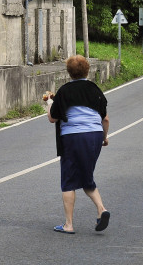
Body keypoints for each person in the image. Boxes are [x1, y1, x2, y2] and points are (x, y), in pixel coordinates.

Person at [46, 55, 110, 234]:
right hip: (95, 136)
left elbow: (53, 118)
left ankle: (69, 224)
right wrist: (104, 138)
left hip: (73, 137)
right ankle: (101, 209)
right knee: (85, 175)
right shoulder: (95, 90)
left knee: (68, 180)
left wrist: (50, 103)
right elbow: (105, 119)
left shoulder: (64, 91)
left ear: (68, 72)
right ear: (87, 70)